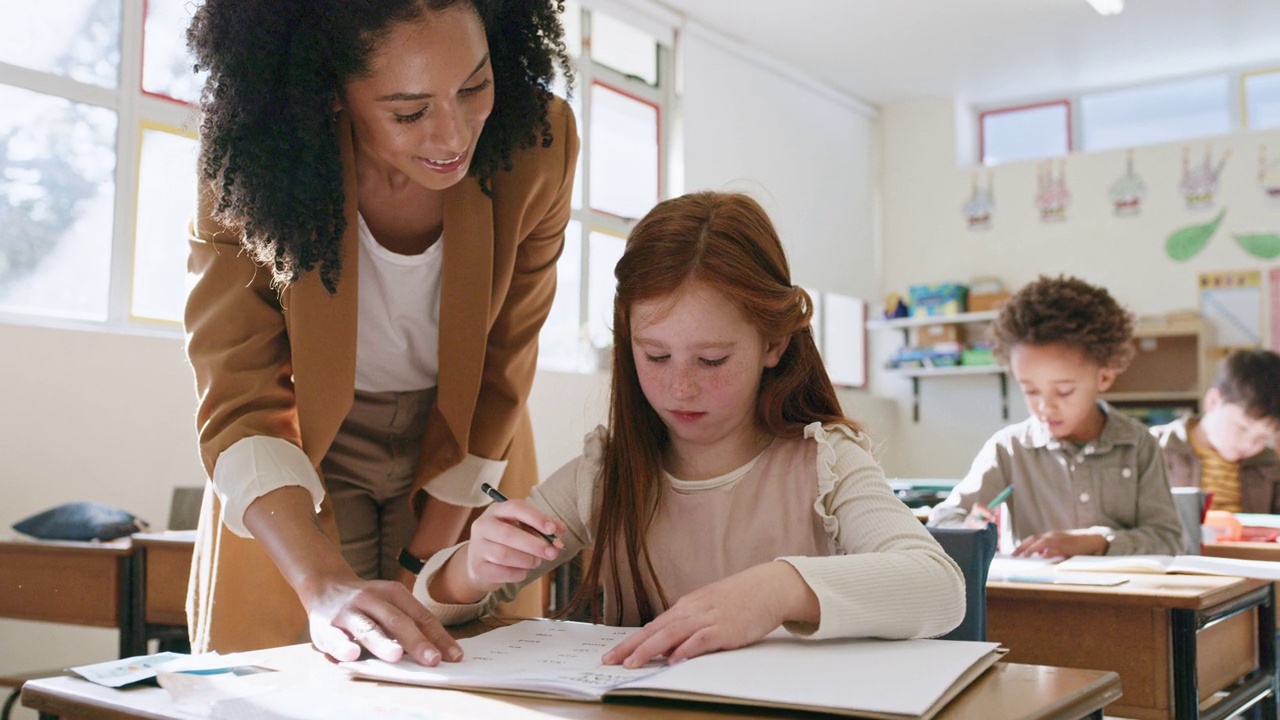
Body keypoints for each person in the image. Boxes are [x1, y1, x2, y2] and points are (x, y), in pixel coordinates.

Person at [414, 191, 966, 668]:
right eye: (654, 356)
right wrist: (473, 566)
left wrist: (777, 589)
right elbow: (436, 602)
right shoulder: (604, 474)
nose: (680, 388)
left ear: (773, 343)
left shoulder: (824, 463)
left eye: (712, 361)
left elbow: (940, 588)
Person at [182, 0, 577, 666]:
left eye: (474, 86)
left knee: (472, 665)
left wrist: (424, 566)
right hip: (297, 441)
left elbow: (504, 364)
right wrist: (324, 584)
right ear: (331, 93)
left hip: (467, 436)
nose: (453, 136)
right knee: (288, 674)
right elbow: (241, 398)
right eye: (409, 111)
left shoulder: (537, 142)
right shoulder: (252, 157)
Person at [928, 275, 1185, 558]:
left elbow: (1168, 540)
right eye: (1030, 390)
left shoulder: (1139, 445)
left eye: (1063, 391)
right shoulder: (1008, 449)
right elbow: (943, 521)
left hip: (1122, 600)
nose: (1045, 406)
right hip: (1037, 599)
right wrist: (967, 529)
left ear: (1105, 376)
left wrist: (1098, 542)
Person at [1151, 349, 1280, 513]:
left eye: (1263, 437)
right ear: (1213, 402)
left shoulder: (1270, 465)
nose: (1249, 444)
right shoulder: (1155, 447)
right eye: (1241, 428)